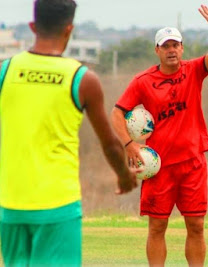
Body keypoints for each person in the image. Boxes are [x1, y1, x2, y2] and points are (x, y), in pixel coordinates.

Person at [0, 0, 140, 266]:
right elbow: (109, 143)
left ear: (32, 26)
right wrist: (124, 176)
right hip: (58, 206)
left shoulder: (5, 72)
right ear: (69, 29)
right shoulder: (82, 78)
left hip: (10, 205)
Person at [110, 5, 208, 267]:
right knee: (157, 227)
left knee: (196, 225)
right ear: (157, 50)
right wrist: (129, 145)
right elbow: (117, 113)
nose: (171, 50)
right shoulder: (143, 81)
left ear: (182, 49)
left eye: (176, 45)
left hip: (193, 163)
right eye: (166, 46)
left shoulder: (194, 70)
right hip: (158, 166)